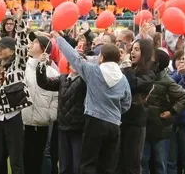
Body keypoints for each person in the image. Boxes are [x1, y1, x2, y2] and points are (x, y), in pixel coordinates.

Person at [52, 29, 131, 174]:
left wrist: (60, 39)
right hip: (114, 124)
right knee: (108, 166)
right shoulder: (123, 78)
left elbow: (74, 58)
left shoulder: (93, 71)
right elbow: (127, 102)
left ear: (101, 58)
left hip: (94, 121)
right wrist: (115, 111)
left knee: (88, 163)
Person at [0, 10, 30, 174]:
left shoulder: (19, 64)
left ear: (12, 50)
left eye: (3, 48)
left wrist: (19, 25)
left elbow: (23, 46)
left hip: (13, 117)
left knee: (16, 161)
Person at [36, 35, 87, 174]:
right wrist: (41, 65)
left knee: (77, 164)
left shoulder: (84, 81)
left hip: (78, 128)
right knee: (64, 164)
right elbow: (44, 82)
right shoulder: (63, 79)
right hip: (63, 126)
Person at [143, 48, 185, 174]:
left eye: (151, 59)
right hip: (145, 127)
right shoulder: (145, 76)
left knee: (161, 164)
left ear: (157, 64)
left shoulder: (166, 81)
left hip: (161, 130)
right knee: (143, 162)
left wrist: (172, 112)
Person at [22, 33, 59, 174]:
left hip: (42, 123)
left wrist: (50, 115)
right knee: (22, 160)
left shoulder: (52, 73)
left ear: (44, 48)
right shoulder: (23, 69)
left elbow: (56, 97)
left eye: (35, 42)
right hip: (23, 123)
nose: (31, 44)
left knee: (38, 161)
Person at [119, 39, 156, 174]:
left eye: (137, 49)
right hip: (120, 120)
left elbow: (132, 84)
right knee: (118, 162)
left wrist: (127, 66)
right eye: (132, 49)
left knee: (132, 163)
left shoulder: (149, 73)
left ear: (144, 53)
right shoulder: (126, 68)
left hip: (135, 123)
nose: (132, 52)